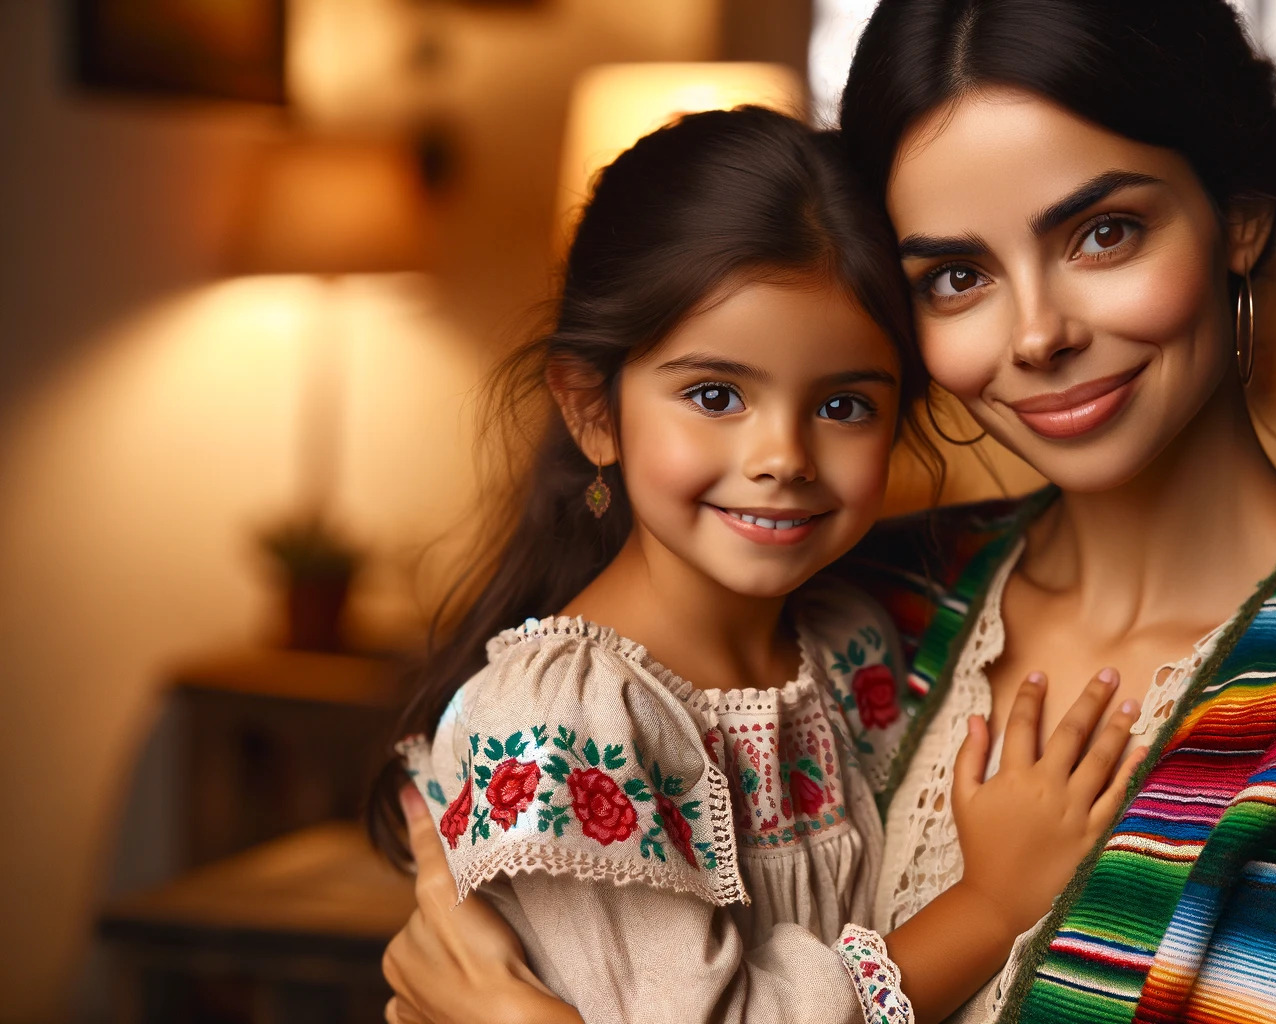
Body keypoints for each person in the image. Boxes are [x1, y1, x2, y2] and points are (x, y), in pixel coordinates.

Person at [380, 2, 1276, 1021]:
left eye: (1102, 232)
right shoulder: (861, 600)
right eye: (954, 276)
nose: (1037, 334)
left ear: (1236, 216)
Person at [372, 106, 1148, 1024]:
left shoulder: (851, 640)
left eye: (845, 406)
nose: (783, 456)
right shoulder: (564, 720)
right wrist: (989, 906)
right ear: (592, 410)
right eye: (715, 394)